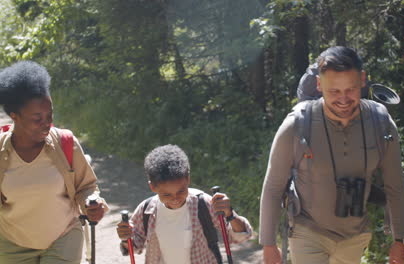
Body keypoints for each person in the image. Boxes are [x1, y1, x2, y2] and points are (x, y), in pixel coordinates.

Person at [259, 46, 404, 264]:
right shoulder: (296, 126)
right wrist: (268, 244)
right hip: (307, 231)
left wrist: (401, 241)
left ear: (362, 80)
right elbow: (273, 186)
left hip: (355, 236)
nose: (343, 99)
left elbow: (395, 185)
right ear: (319, 85)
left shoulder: (381, 125)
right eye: (334, 91)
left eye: (350, 90)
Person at [0, 61, 108, 263]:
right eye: (37, 118)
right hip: (12, 242)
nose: (47, 123)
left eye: (50, 114)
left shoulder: (65, 143)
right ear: (15, 116)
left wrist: (91, 202)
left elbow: (86, 186)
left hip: (64, 237)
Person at [116, 144, 253, 264]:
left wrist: (230, 214)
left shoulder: (204, 204)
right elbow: (134, 246)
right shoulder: (145, 211)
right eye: (167, 195)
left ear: (187, 179)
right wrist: (125, 237)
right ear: (153, 187)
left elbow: (241, 236)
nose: (175, 198)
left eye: (181, 191)